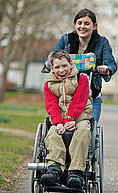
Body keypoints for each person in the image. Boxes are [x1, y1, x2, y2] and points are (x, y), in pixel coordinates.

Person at [43, 8, 117, 124]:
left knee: (88, 129)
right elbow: (52, 56)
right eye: (79, 23)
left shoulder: (102, 42)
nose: (82, 27)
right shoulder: (66, 39)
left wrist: (106, 69)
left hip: (91, 94)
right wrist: (49, 63)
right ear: (75, 25)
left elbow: (111, 64)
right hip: (65, 93)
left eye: (87, 24)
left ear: (94, 26)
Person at [40, 50, 92, 189]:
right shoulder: (49, 85)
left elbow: (79, 100)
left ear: (71, 64)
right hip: (60, 119)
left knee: (83, 132)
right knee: (52, 134)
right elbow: (51, 105)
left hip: (80, 117)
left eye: (64, 66)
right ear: (52, 68)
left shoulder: (82, 78)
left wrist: (70, 118)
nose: (61, 70)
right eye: (57, 67)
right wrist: (58, 123)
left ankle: (75, 172)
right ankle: (54, 169)